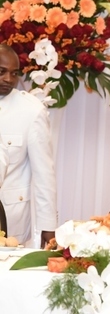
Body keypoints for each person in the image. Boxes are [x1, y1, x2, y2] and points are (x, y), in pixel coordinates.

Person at [0, 44, 57, 246]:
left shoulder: (31, 111)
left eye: (14, 73)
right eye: (1, 71)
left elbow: (44, 174)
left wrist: (48, 227)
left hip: (9, 223)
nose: (8, 79)